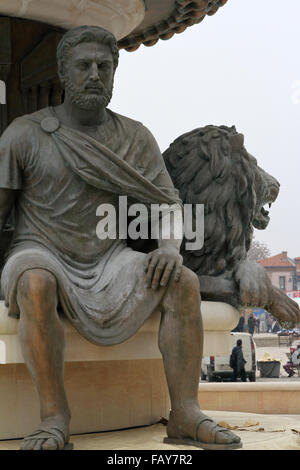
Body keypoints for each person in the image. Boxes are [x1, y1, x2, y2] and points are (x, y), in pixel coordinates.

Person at [0, 26, 241, 450]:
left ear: (114, 74)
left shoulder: (135, 137)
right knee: (36, 283)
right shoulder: (23, 135)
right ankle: (54, 417)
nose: (95, 74)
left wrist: (168, 248)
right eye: (84, 66)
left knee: (181, 281)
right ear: (63, 73)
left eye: (104, 67)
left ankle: (184, 410)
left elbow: (168, 207)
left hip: (110, 260)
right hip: (38, 251)